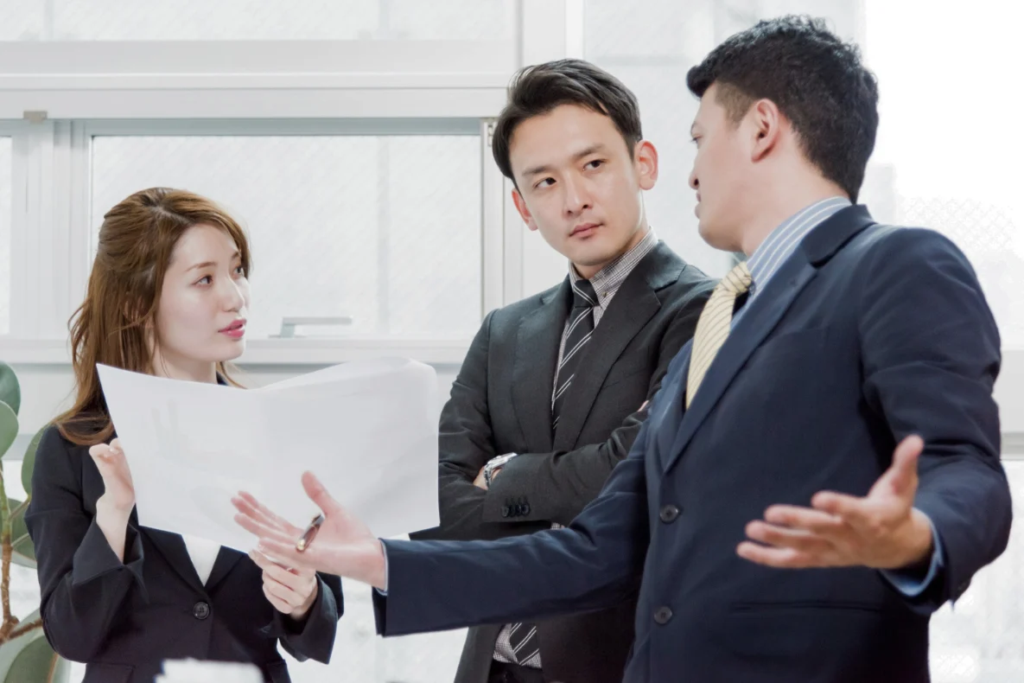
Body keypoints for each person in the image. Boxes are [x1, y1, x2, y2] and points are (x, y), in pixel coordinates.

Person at [234, 16, 1012, 683]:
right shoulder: (728, 318)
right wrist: (380, 558)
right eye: (544, 181)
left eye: (700, 139)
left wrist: (920, 535)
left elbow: (967, 469)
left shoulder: (895, 263)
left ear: (761, 129)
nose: (692, 172)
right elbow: (594, 550)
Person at [406, 58, 713, 683]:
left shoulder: (705, 312)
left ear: (644, 164)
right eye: (544, 182)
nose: (574, 200)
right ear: (523, 207)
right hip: (488, 669)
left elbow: (638, 477)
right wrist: (568, 504)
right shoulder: (504, 332)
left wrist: (504, 476)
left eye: (592, 164)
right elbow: (433, 503)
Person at [26, 188, 343, 683]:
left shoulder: (281, 432)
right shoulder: (71, 450)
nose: (235, 297)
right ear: (135, 303)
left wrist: (304, 598)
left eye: (238, 270)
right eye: (205, 279)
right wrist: (115, 513)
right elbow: (72, 636)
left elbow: (319, 634)